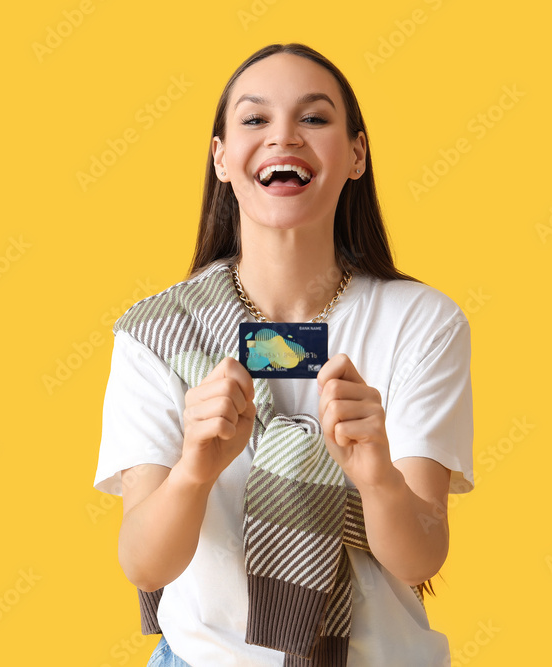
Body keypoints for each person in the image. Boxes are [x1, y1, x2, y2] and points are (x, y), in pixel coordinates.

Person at [93, 43, 474, 666]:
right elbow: (143, 562)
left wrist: (376, 472)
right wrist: (195, 468)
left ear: (356, 154)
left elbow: (422, 557)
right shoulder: (157, 332)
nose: (283, 138)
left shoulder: (422, 321)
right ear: (221, 158)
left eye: (315, 118)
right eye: (254, 119)